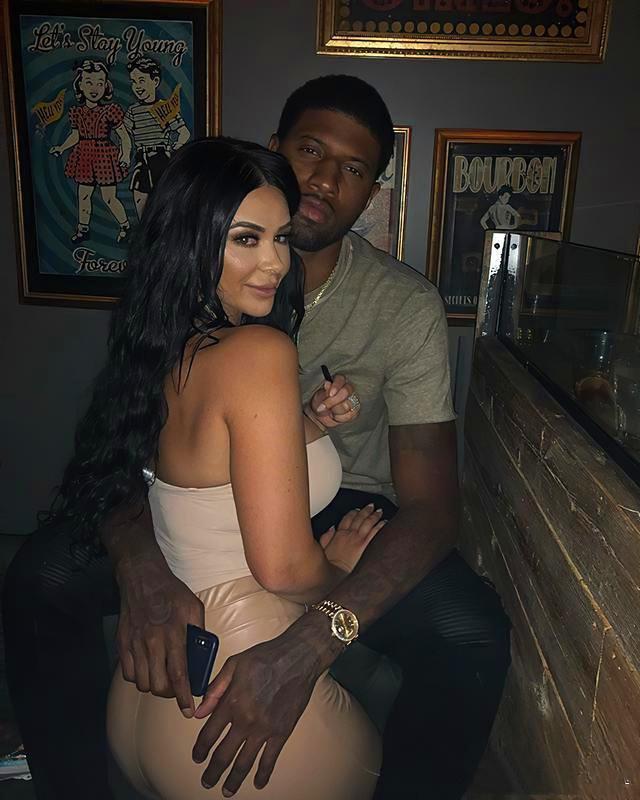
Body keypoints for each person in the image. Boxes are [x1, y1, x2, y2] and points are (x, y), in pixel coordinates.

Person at [3, 75, 510, 800]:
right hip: (210, 514)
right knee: (41, 573)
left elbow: (431, 506)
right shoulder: (213, 324)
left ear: (373, 193)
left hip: (341, 499)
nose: (325, 179)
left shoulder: (402, 304)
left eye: (354, 168)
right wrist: (141, 564)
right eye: (311, 151)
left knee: (470, 626)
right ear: (275, 151)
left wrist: (319, 633)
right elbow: (125, 457)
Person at [47, 137, 383, 799]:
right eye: (246, 239)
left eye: (281, 238)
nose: (275, 263)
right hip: (239, 702)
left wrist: (308, 422)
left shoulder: (161, 348)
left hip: (148, 704)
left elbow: (203, 469)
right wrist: (342, 572)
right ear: (191, 243)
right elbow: (284, 570)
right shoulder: (258, 352)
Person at [49, 59, 132, 243]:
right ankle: (83, 230)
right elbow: (75, 136)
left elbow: (124, 136)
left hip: (104, 157)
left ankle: (126, 226)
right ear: (80, 85)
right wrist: (61, 148)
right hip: (85, 157)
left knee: (109, 197)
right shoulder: (76, 112)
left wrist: (125, 154)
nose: (94, 88)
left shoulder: (111, 110)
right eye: (89, 82)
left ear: (105, 86)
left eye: (99, 83)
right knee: (84, 195)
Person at [124, 56, 191, 219]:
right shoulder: (133, 111)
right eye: (134, 82)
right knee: (139, 197)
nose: (137, 86)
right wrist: (124, 152)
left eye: (142, 80)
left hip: (160, 158)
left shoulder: (164, 108)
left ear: (155, 81)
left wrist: (173, 150)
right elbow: (123, 132)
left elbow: (184, 133)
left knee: (163, 199)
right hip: (141, 159)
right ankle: (144, 232)